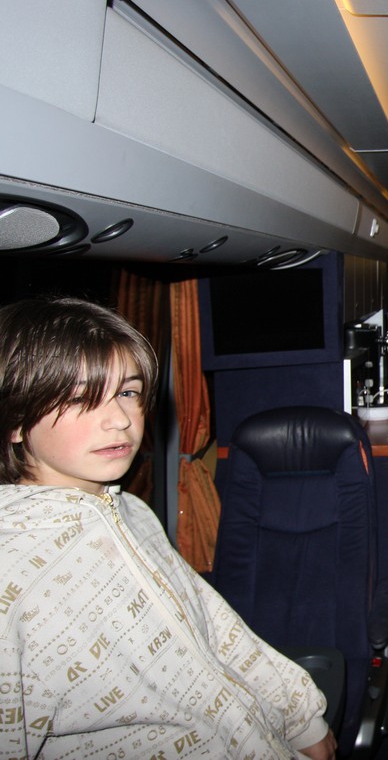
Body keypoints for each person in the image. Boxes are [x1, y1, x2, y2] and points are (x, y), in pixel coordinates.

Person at [0, 296, 337, 759]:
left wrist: (300, 718)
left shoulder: (132, 513)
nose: (120, 420)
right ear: (15, 421)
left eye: (127, 392)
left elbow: (216, 631)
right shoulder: (12, 570)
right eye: (80, 397)